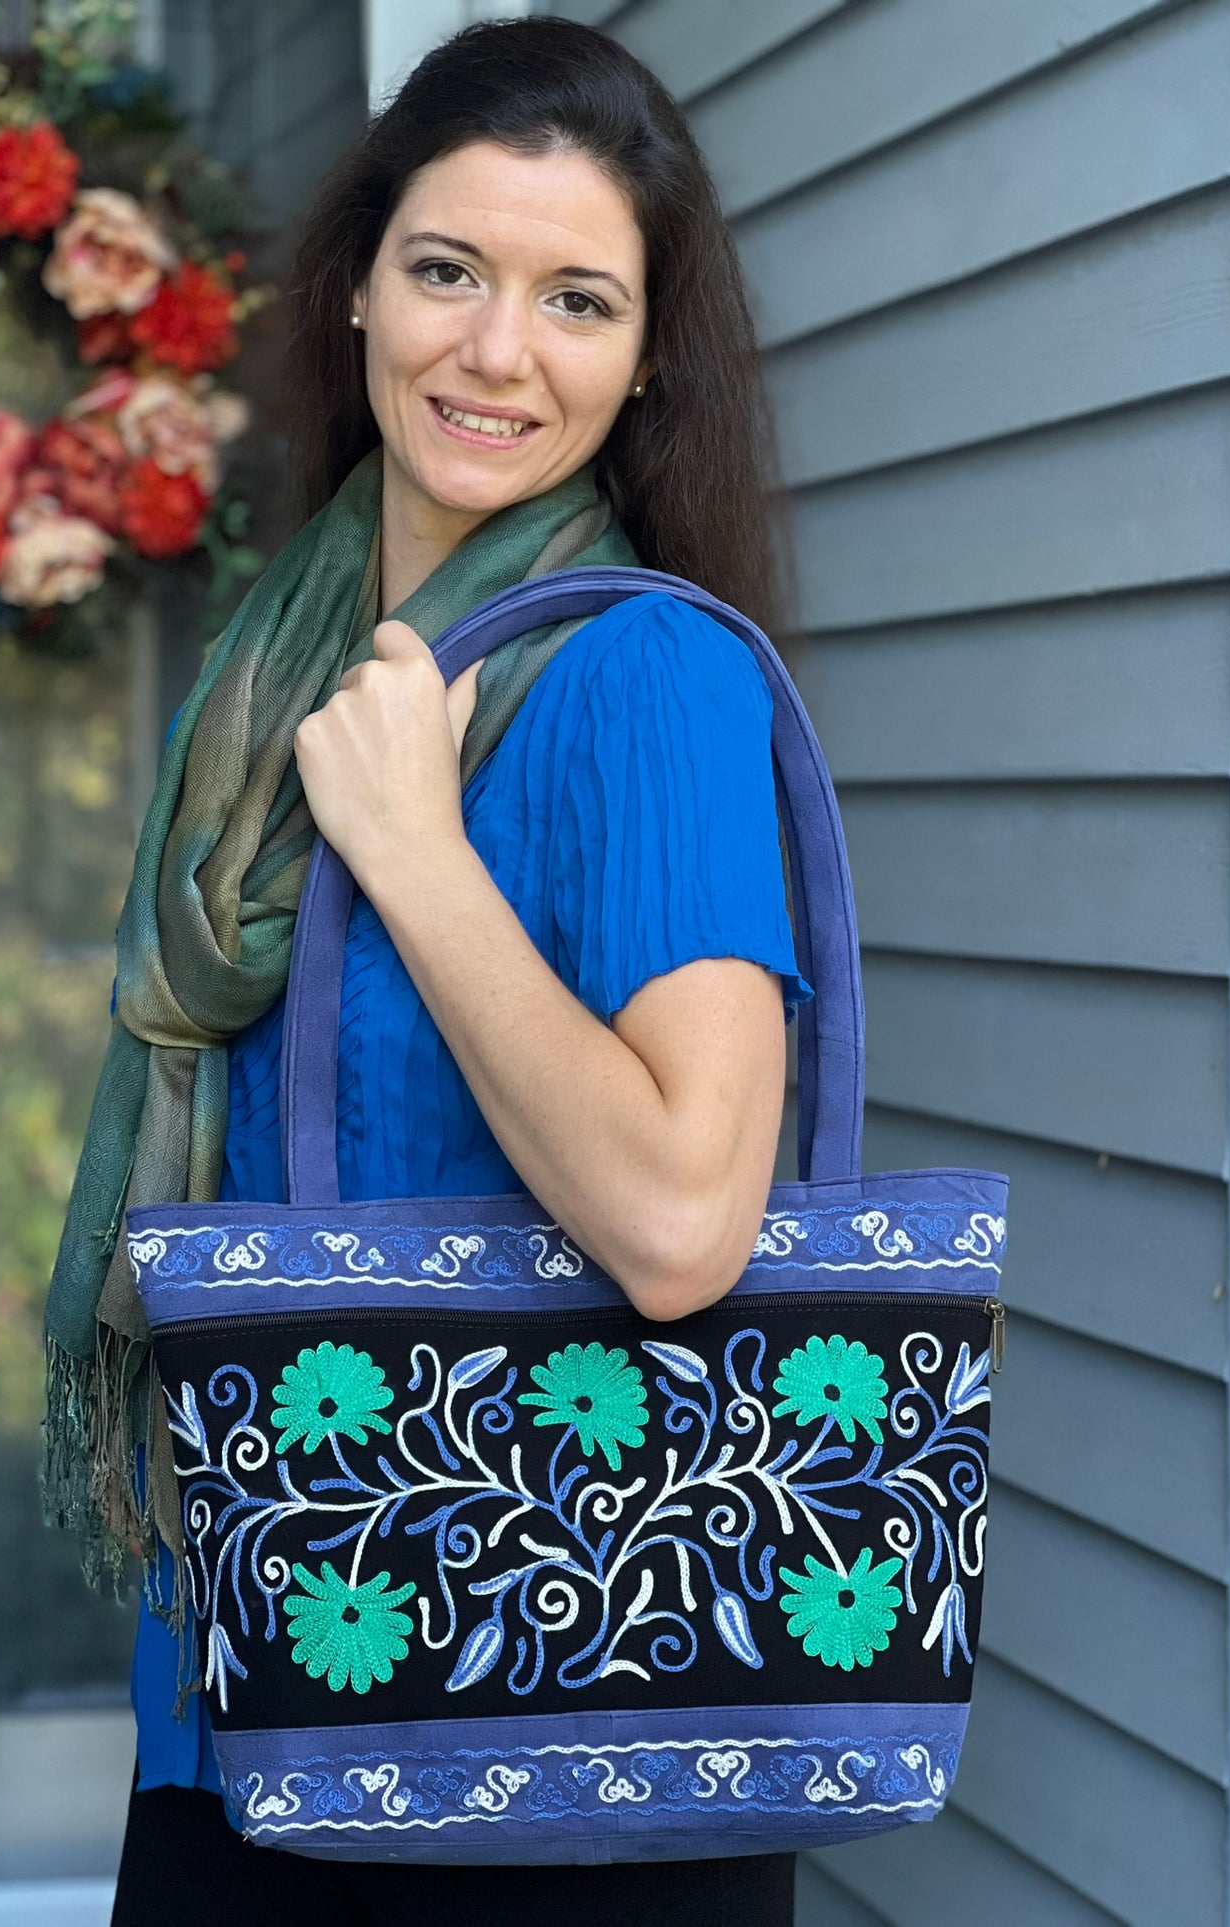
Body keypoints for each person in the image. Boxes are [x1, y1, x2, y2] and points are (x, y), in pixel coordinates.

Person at [44, 17, 814, 1925]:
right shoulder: (276, 665)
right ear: (358, 284)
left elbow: (682, 1222)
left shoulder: (648, 678)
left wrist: (413, 852)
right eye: (448, 270)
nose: (495, 353)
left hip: (555, 1736)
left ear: (646, 359)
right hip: (251, 1662)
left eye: (577, 301)